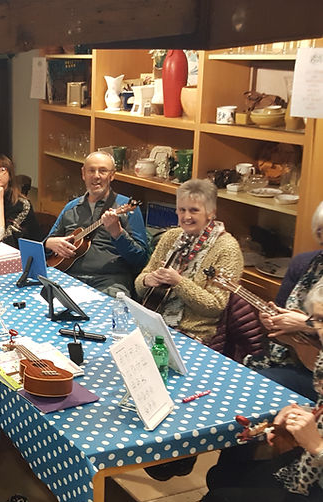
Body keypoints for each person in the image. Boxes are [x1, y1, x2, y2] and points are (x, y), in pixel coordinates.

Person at [190, 281, 323, 502]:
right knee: (221, 477)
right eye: (316, 320)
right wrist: (302, 416)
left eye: (319, 321)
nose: (316, 330)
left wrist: (316, 445)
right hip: (312, 473)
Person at [135, 179, 244, 344]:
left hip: (194, 334)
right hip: (155, 321)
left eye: (194, 210)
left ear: (211, 213)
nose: (186, 217)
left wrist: (178, 282)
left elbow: (215, 306)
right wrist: (147, 280)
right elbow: (139, 285)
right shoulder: (171, 237)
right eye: (182, 210)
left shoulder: (227, 248)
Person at [245, 201, 323, 400]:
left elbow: (302, 324)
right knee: (243, 381)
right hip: (289, 359)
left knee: (257, 387)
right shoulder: (303, 263)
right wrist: (270, 321)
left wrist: (306, 324)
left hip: (318, 376)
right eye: (321, 231)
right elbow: (276, 325)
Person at [45, 150, 149, 296]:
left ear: (112, 175)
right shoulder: (71, 208)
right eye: (91, 170)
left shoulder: (127, 207)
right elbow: (44, 248)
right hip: (68, 277)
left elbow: (141, 260)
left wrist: (118, 233)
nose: (96, 176)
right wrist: (48, 243)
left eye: (103, 171)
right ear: (83, 174)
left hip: (109, 282)